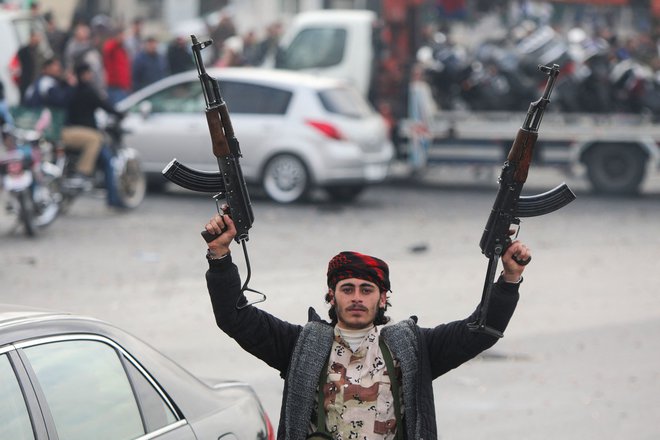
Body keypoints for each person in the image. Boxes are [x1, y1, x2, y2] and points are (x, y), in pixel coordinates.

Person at [202, 211, 529, 439]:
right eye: (347, 289)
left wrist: (510, 278)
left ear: (383, 298)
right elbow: (236, 318)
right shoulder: (302, 345)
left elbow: (480, 331)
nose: (357, 297)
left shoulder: (412, 347)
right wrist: (219, 256)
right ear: (332, 296)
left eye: (366, 289)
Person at [61, 62, 125, 208]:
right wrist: (120, 114)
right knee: (108, 162)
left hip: (69, 133)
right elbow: (106, 105)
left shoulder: (71, 91)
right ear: (84, 74)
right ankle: (113, 199)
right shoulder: (89, 91)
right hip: (86, 135)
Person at [102, 26, 132, 104]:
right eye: (120, 35)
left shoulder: (122, 49)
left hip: (123, 86)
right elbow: (107, 49)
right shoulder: (111, 47)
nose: (123, 38)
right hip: (114, 86)